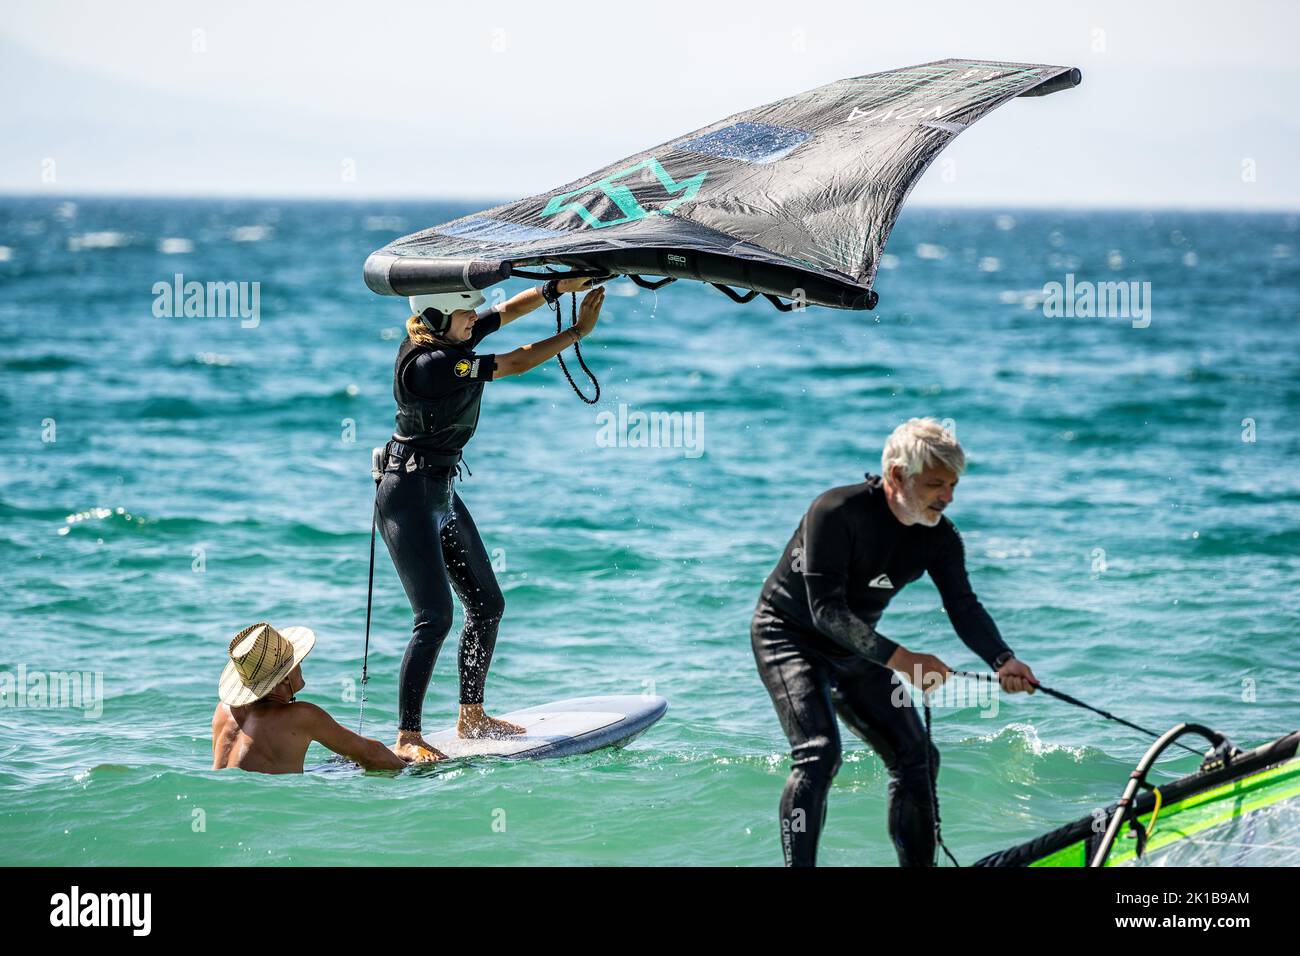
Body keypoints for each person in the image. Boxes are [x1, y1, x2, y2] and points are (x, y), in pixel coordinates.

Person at [750, 418, 1039, 866]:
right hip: (788, 637)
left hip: (856, 646)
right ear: (898, 476)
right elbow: (825, 611)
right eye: (936, 484)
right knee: (819, 752)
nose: (948, 497)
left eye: (953, 485)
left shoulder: (940, 536)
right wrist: (902, 659)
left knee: (917, 757)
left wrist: (1004, 659)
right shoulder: (833, 511)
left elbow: (963, 605)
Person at [378, 277, 605, 763]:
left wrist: (558, 287)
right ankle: (408, 734)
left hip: (440, 491)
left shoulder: (448, 334)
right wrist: (578, 332)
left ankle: (472, 714)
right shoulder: (433, 363)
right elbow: (516, 361)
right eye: (465, 315)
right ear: (438, 317)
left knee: (487, 604)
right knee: (434, 618)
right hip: (408, 497)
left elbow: (503, 313)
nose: (473, 320)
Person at [212, 622, 406, 774]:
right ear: (284, 677)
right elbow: (373, 755)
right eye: (298, 662)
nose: (301, 666)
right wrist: (419, 772)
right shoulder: (301, 716)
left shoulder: (224, 710)